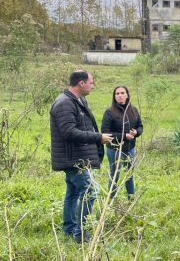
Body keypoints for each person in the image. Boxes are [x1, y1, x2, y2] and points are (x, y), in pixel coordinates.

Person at [50, 70, 113, 244]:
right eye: (91, 82)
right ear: (81, 83)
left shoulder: (79, 101)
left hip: (78, 157)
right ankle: (81, 234)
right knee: (91, 191)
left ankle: (69, 230)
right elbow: (68, 132)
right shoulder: (64, 103)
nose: (93, 85)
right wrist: (98, 137)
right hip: (73, 160)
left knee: (72, 193)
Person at [101, 86, 143, 201]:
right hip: (114, 150)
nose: (119, 95)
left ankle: (131, 198)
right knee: (115, 176)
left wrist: (136, 132)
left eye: (122, 93)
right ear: (114, 97)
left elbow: (140, 126)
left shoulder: (133, 110)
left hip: (130, 149)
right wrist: (124, 136)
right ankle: (110, 201)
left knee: (129, 175)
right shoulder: (109, 112)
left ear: (127, 95)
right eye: (117, 93)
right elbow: (105, 133)